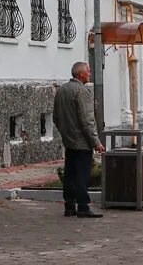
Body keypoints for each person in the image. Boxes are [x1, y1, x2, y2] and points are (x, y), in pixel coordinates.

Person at [52, 61, 106, 218]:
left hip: (68, 141)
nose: (90, 74)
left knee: (70, 174)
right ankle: (83, 206)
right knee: (82, 176)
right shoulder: (82, 91)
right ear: (81, 74)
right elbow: (87, 120)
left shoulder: (62, 90)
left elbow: (56, 117)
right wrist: (96, 142)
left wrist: (65, 133)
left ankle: (69, 206)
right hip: (82, 142)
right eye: (88, 71)